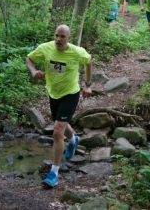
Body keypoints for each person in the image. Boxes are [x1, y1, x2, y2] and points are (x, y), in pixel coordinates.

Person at [26, 25, 92, 188]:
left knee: (57, 130)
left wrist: (88, 84)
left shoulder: (77, 52)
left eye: (62, 37)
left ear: (68, 38)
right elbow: (29, 58)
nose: (58, 39)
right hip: (53, 92)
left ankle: (54, 173)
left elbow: (89, 62)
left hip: (70, 93)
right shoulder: (46, 48)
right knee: (60, 122)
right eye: (56, 36)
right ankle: (74, 138)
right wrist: (33, 71)